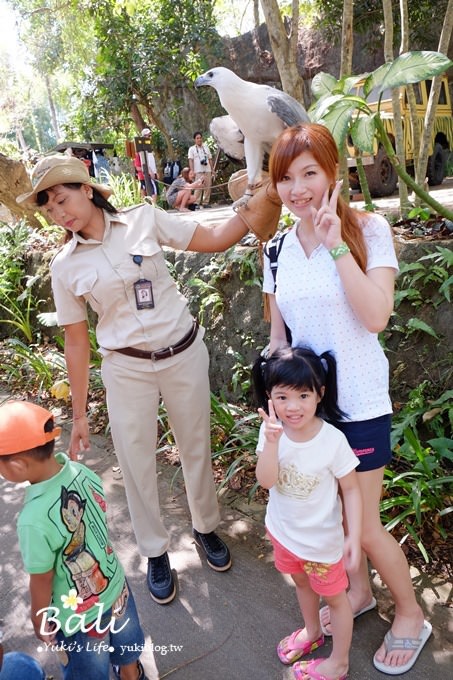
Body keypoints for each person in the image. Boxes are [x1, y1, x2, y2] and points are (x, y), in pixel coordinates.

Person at [16, 153, 275, 606]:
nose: (61, 213)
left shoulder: (143, 219)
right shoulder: (65, 266)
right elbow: (76, 342)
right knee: (136, 462)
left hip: (182, 352)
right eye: (51, 209)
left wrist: (261, 198)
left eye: (63, 198)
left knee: (195, 445)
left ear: (87, 189)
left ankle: (206, 528)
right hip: (126, 367)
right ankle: (155, 552)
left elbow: (215, 238)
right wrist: (78, 415)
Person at [262, 122, 431, 677]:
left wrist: (336, 243)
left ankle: (409, 615)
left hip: (357, 405)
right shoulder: (276, 248)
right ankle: (356, 597)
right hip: (305, 415)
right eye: (286, 177)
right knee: (333, 518)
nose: (298, 188)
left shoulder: (369, 230)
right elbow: (279, 342)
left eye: (309, 173)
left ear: (334, 172)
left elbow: (377, 316)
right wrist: (277, 412)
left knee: (363, 525)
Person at [0, 401, 147, 680]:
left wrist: (39, 617)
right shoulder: (83, 473)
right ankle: (131, 673)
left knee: (87, 668)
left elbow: (42, 579)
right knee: (127, 641)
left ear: (18, 465)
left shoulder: (33, 520)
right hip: (116, 586)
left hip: (79, 615)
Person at [253, 346, 362, 680]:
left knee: (336, 599)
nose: (293, 407)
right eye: (282, 397)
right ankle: (312, 631)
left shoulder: (332, 440)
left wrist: (353, 536)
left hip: (322, 547)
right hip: (284, 534)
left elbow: (352, 489)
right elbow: (266, 481)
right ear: (269, 397)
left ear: (320, 394)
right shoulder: (272, 432)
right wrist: (271, 443)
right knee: (300, 582)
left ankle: (339, 663)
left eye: (303, 395)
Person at [188, 131, 214, 207]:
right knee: (198, 187)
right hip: (198, 171)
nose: (199, 139)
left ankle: (206, 202)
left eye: (200, 138)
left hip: (207, 169)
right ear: (195, 140)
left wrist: (212, 170)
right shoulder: (192, 149)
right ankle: (196, 202)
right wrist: (192, 171)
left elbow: (210, 159)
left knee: (208, 187)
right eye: (197, 138)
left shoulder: (206, 147)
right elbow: (190, 160)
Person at [134, 128, 159, 204]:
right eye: (147, 136)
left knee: (154, 190)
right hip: (146, 175)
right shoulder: (140, 151)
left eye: (150, 136)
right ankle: (152, 208)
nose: (149, 137)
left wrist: (155, 172)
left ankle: (153, 207)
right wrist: (149, 171)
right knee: (151, 191)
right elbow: (138, 166)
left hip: (152, 173)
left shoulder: (150, 150)